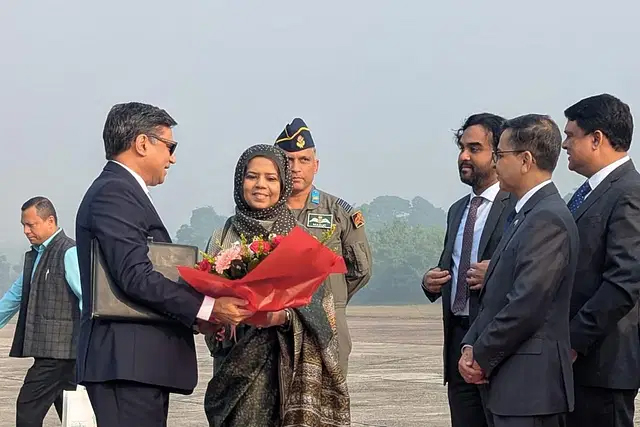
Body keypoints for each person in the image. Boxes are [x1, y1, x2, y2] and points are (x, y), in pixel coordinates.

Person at [74, 102, 254, 427]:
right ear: (142, 143)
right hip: (126, 365)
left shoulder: (124, 192)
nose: (172, 158)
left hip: (138, 365)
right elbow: (135, 276)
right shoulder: (114, 193)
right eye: (170, 146)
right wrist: (208, 307)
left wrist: (199, 320)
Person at [202, 144, 350, 427]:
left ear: (282, 185)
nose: (261, 185)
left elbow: (324, 310)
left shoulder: (300, 240)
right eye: (252, 177)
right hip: (235, 367)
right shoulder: (222, 236)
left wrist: (283, 317)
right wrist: (221, 320)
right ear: (239, 181)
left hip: (287, 370)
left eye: (271, 179)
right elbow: (207, 300)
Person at [459, 114, 579, 427]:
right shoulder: (523, 213)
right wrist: (470, 345)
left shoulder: (547, 219)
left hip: (530, 388)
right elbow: (495, 295)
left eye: (500, 155)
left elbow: (526, 305)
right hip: (510, 385)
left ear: (525, 160)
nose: (495, 163)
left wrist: (481, 355)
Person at [422, 113, 515, 427]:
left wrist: (498, 271)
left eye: (474, 148)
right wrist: (430, 281)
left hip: (496, 342)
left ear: (498, 153)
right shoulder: (458, 209)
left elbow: (535, 272)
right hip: (457, 341)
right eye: (462, 147)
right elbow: (449, 264)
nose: (464, 156)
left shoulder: (517, 206)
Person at [562, 94, 640, 427]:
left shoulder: (629, 192)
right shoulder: (590, 192)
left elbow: (624, 282)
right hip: (578, 365)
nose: (563, 144)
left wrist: (574, 340)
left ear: (596, 139)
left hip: (602, 365)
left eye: (570, 135)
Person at [274, 117, 372, 376]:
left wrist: (330, 299)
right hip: (272, 327)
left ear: (315, 165)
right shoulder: (260, 213)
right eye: (288, 160)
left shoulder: (339, 213)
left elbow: (360, 270)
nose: (295, 167)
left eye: (303, 160)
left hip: (327, 326)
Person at [0, 197, 81, 427]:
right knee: (72, 413)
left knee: (28, 407)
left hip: (60, 354)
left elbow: (86, 299)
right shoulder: (36, 255)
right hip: (54, 353)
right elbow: (14, 298)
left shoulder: (69, 252)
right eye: (23, 225)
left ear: (50, 221)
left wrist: (93, 343)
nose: (26, 231)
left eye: (31, 225)